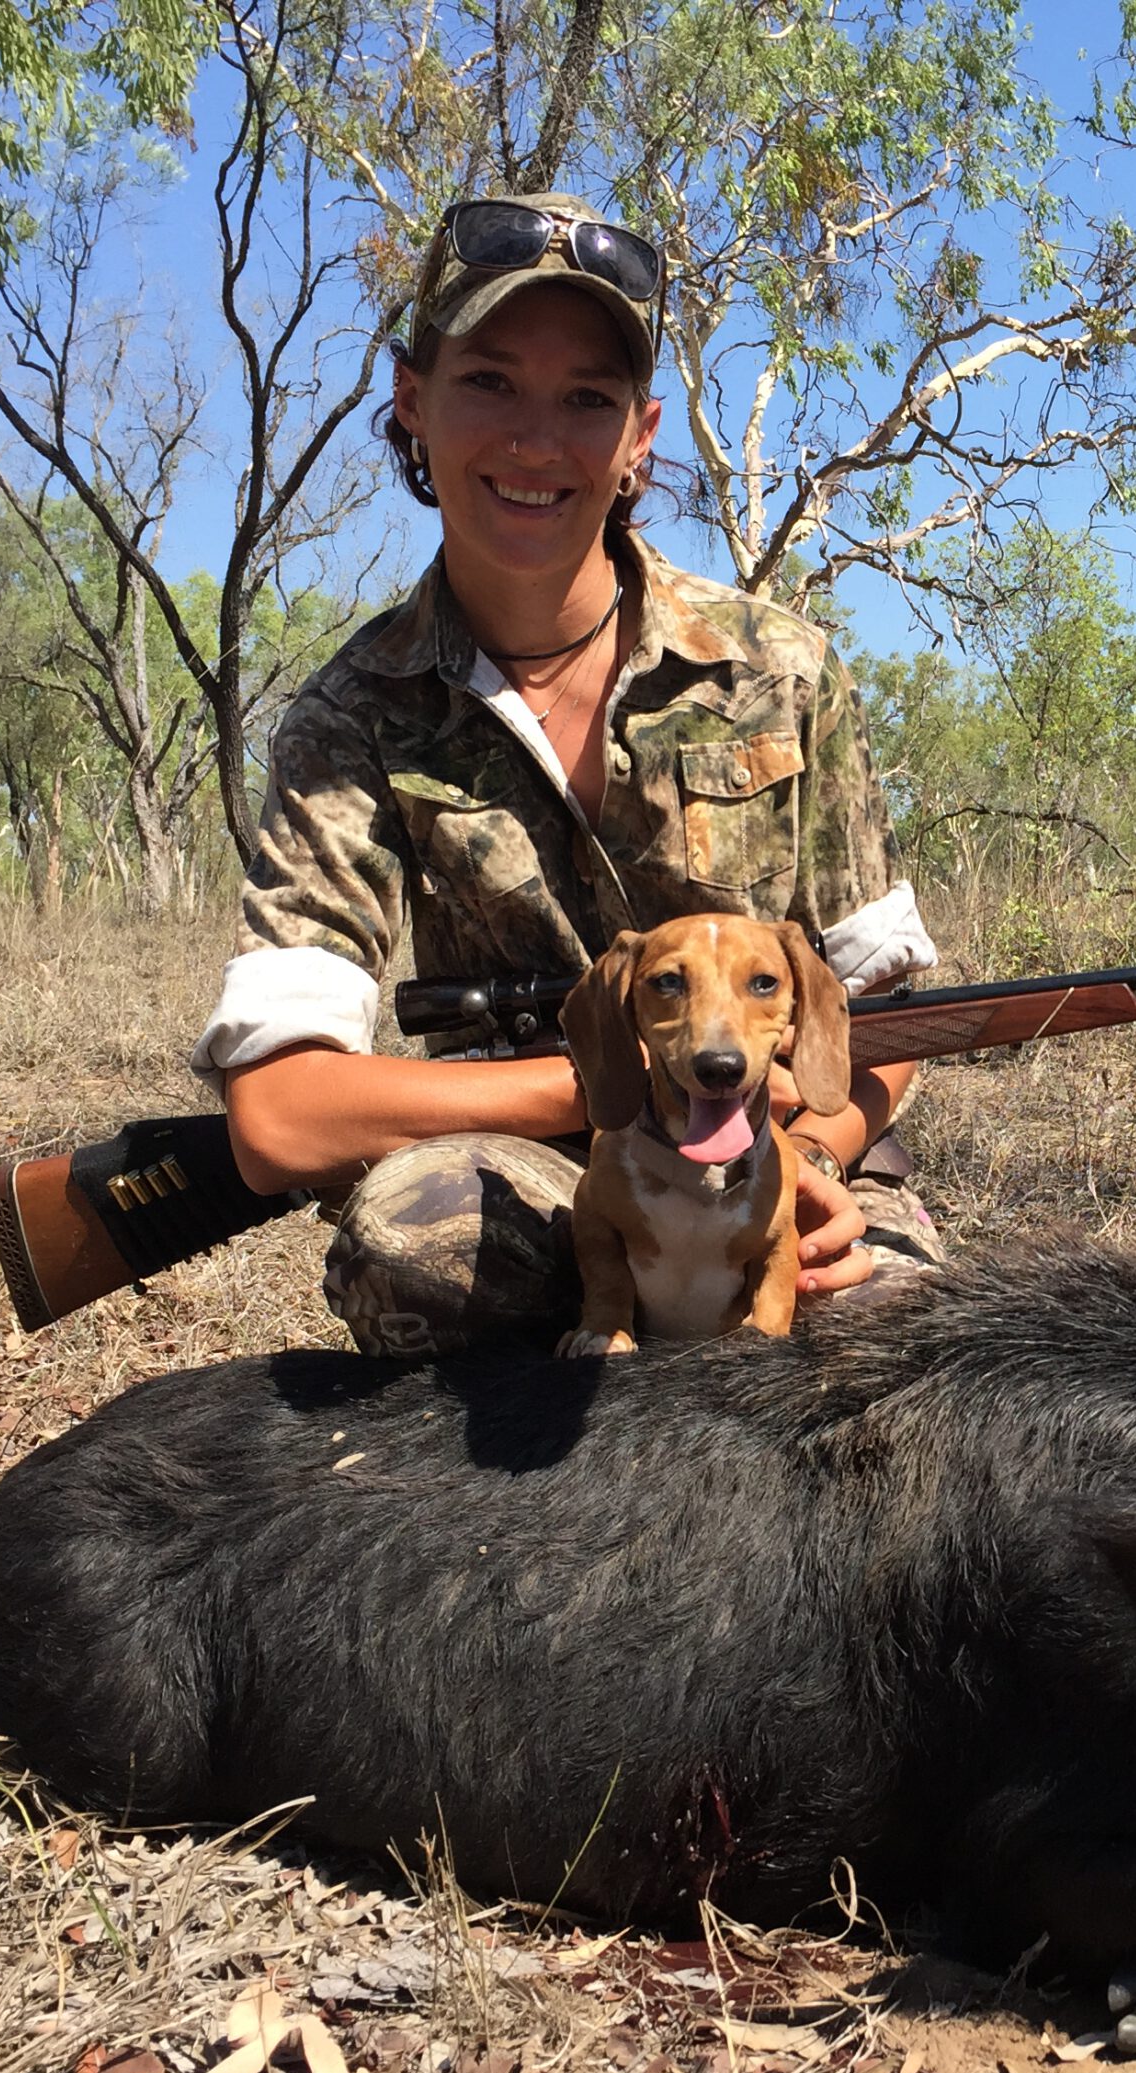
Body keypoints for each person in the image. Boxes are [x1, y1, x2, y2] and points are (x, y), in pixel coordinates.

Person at [190, 192, 941, 1355]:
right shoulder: (352, 716)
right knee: (419, 1248)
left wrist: (809, 1153)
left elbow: (889, 1022)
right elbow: (280, 1120)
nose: (537, 442)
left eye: (586, 400)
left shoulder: (782, 669)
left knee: (919, 1369)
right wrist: (623, 1085)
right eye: (489, 381)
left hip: (785, 1159)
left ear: (640, 438)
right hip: (536, 1182)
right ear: (411, 403)